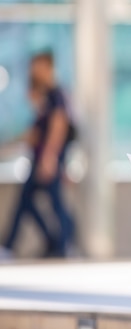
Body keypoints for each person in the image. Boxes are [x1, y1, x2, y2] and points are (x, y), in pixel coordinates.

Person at [1, 51, 76, 259]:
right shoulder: (44, 96)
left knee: (50, 202)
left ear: (47, 67)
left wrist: (49, 157)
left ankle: (61, 245)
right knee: (33, 202)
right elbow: (35, 133)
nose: (33, 70)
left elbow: (58, 127)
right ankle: (58, 244)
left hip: (47, 159)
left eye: (37, 66)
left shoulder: (55, 94)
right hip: (42, 158)